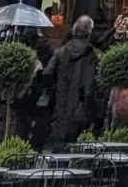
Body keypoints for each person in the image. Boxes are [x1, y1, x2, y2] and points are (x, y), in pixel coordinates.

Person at [40, 14, 99, 145]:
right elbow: (91, 85)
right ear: (89, 32)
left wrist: (54, 91)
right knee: (76, 150)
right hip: (81, 109)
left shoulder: (61, 52)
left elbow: (47, 75)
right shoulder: (93, 56)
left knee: (59, 149)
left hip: (60, 107)